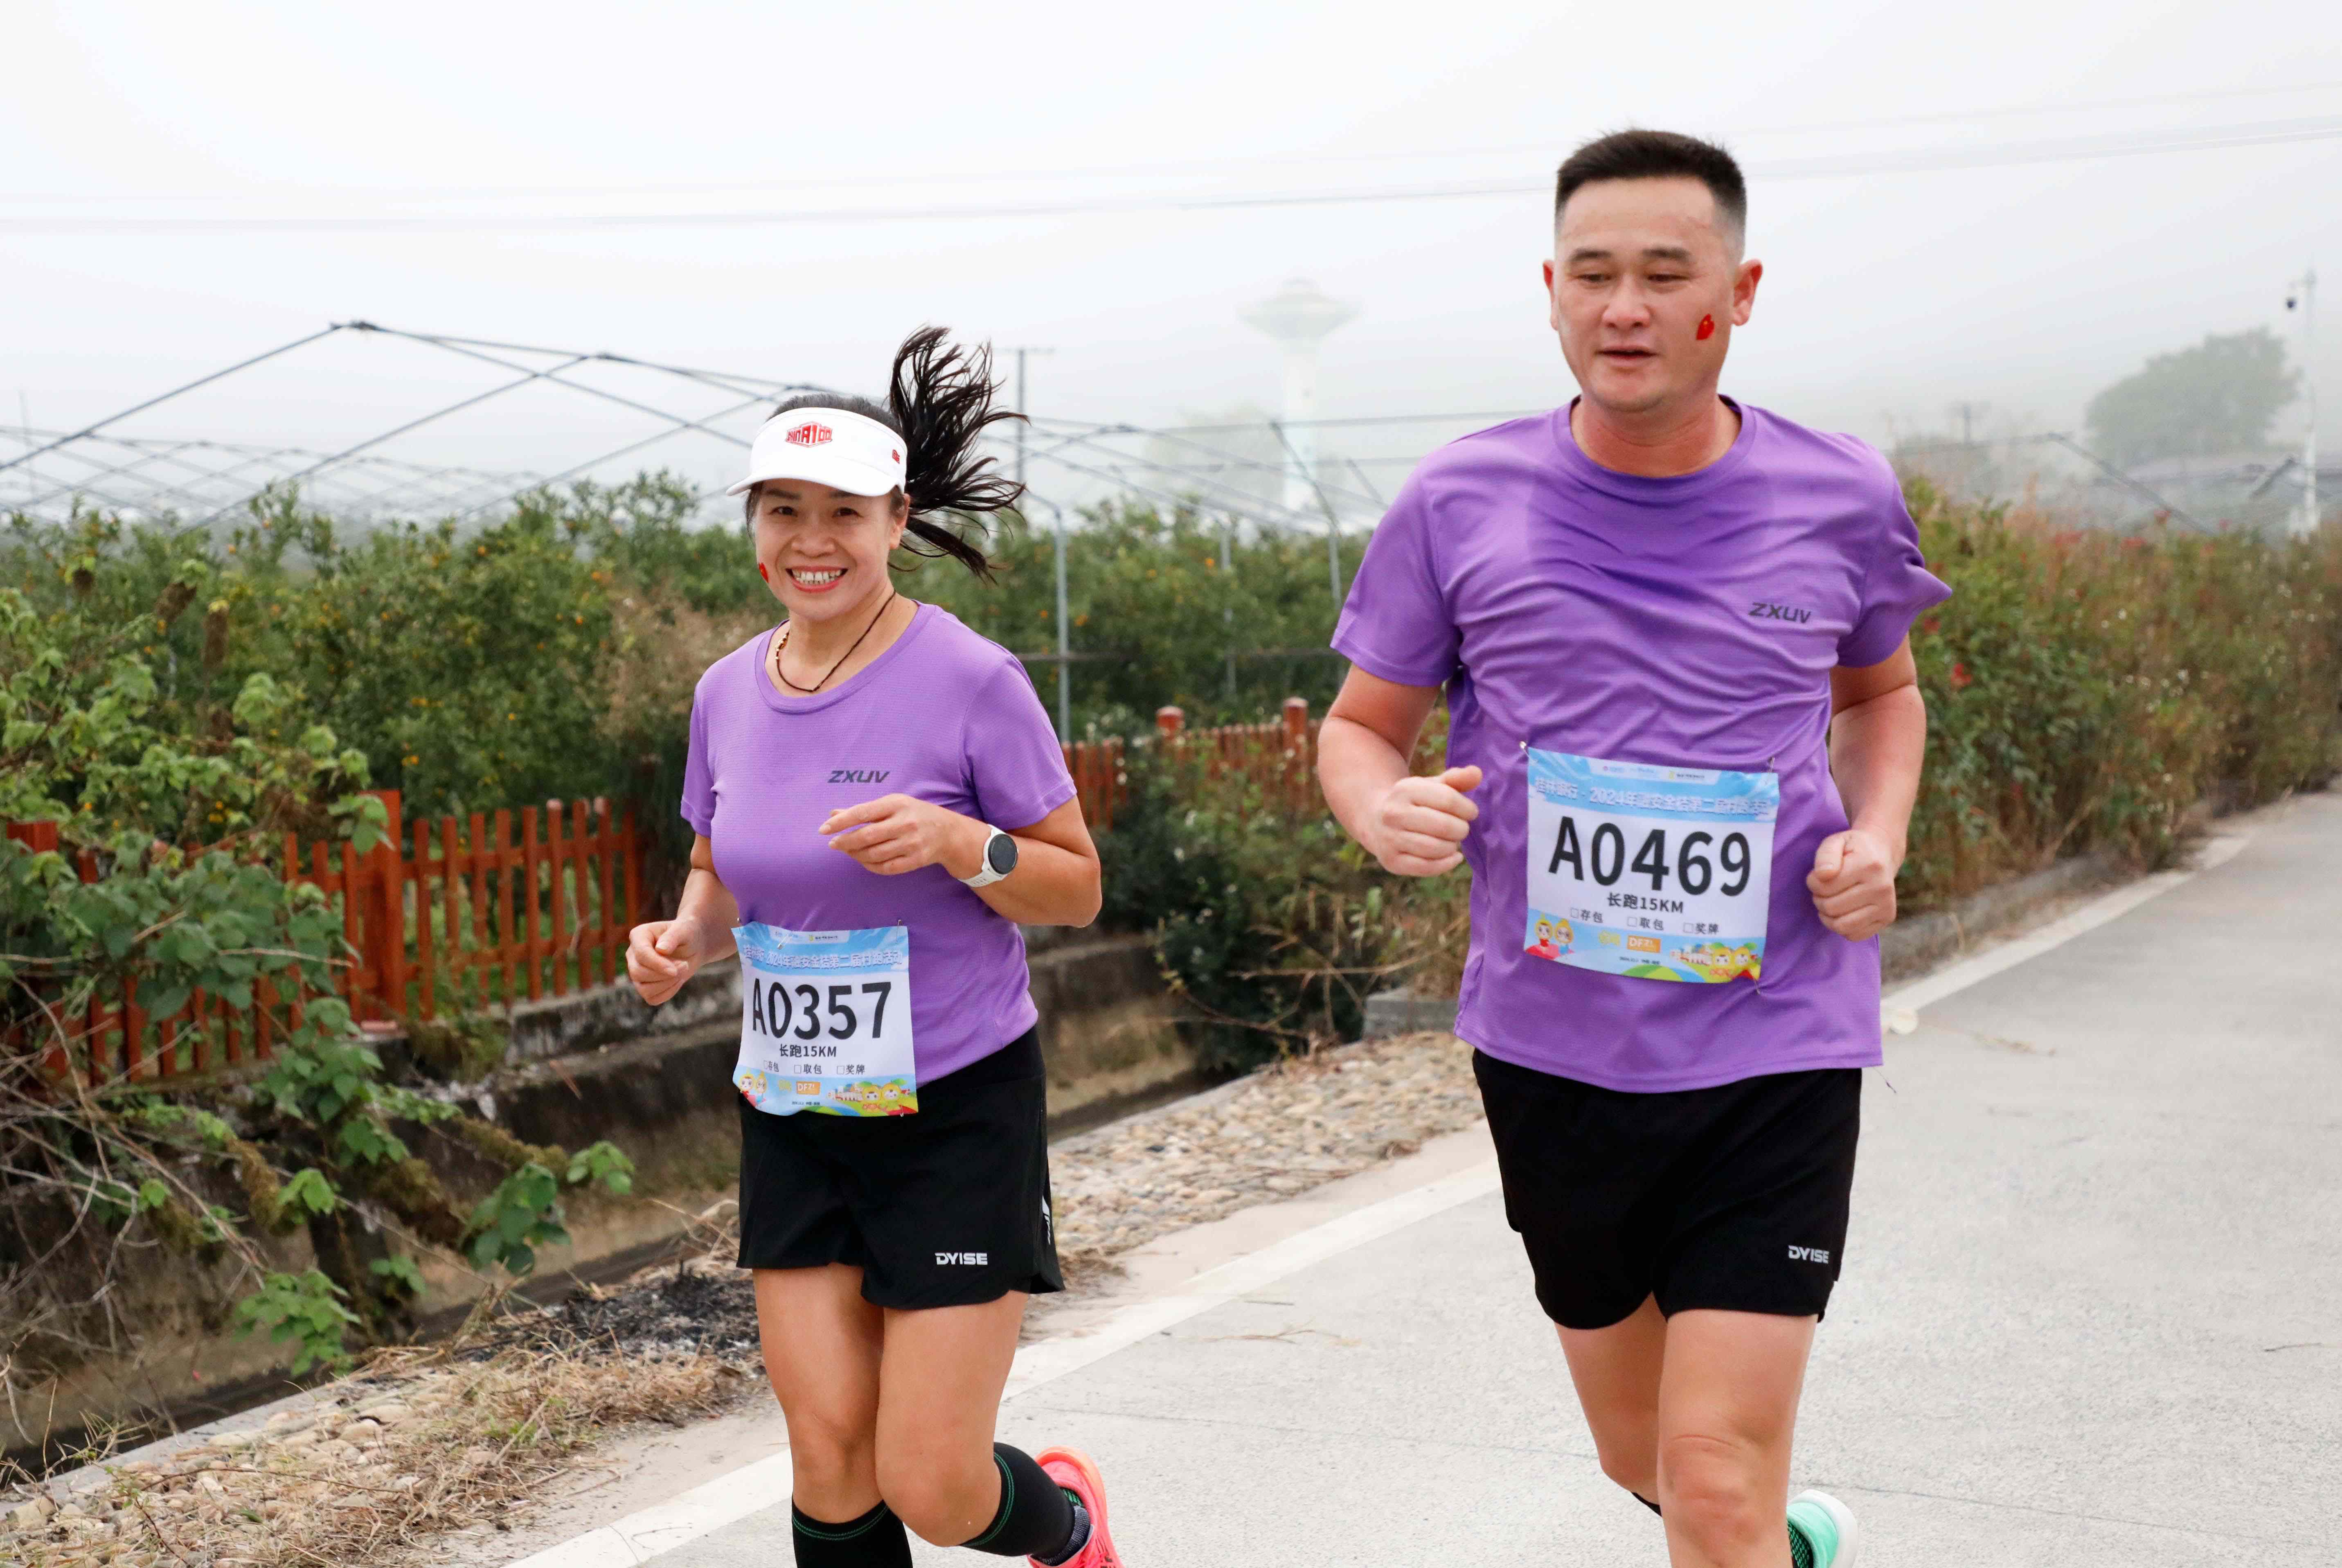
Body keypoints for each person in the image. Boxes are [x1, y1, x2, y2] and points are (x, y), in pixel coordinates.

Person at [1317, 130, 1948, 1568]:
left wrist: (1877, 834)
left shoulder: (1841, 494)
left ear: (1739, 293)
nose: (1625, 307)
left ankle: (1744, 1532)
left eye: (1666, 274)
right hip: (1553, 1053)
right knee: (1642, 1457)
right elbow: (1359, 728)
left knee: (1712, 1474)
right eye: (1593, 274)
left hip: (1776, 1040)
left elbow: (1881, 696)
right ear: (1549, 291)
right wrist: (1377, 805)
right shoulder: (1458, 499)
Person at [624, 327, 1124, 1568]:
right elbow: (719, 867)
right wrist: (683, 938)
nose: (813, 539)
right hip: (795, 1111)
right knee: (830, 1455)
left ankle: (1065, 1526)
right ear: (754, 526)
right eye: (784, 509)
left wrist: (960, 844)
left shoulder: (971, 678)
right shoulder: (725, 691)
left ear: (897, 520)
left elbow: (1075, 888)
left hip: (955, 1112)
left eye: (843, 511)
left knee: (932, 1484)